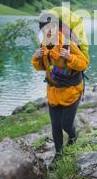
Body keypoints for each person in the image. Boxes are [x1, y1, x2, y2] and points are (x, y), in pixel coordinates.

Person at [31, 14, 89, 169]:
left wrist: (70, 57)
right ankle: (58, 154)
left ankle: (73, 136)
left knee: (66, 125)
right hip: (53, 92)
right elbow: (43, 67)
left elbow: (84, 64)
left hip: (72, 91)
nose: (49, 32)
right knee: (55, 125)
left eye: (52, 28)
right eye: (45, 29)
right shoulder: (43, 45)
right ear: (42, 30)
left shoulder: (68, 44)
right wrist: (35, 59)